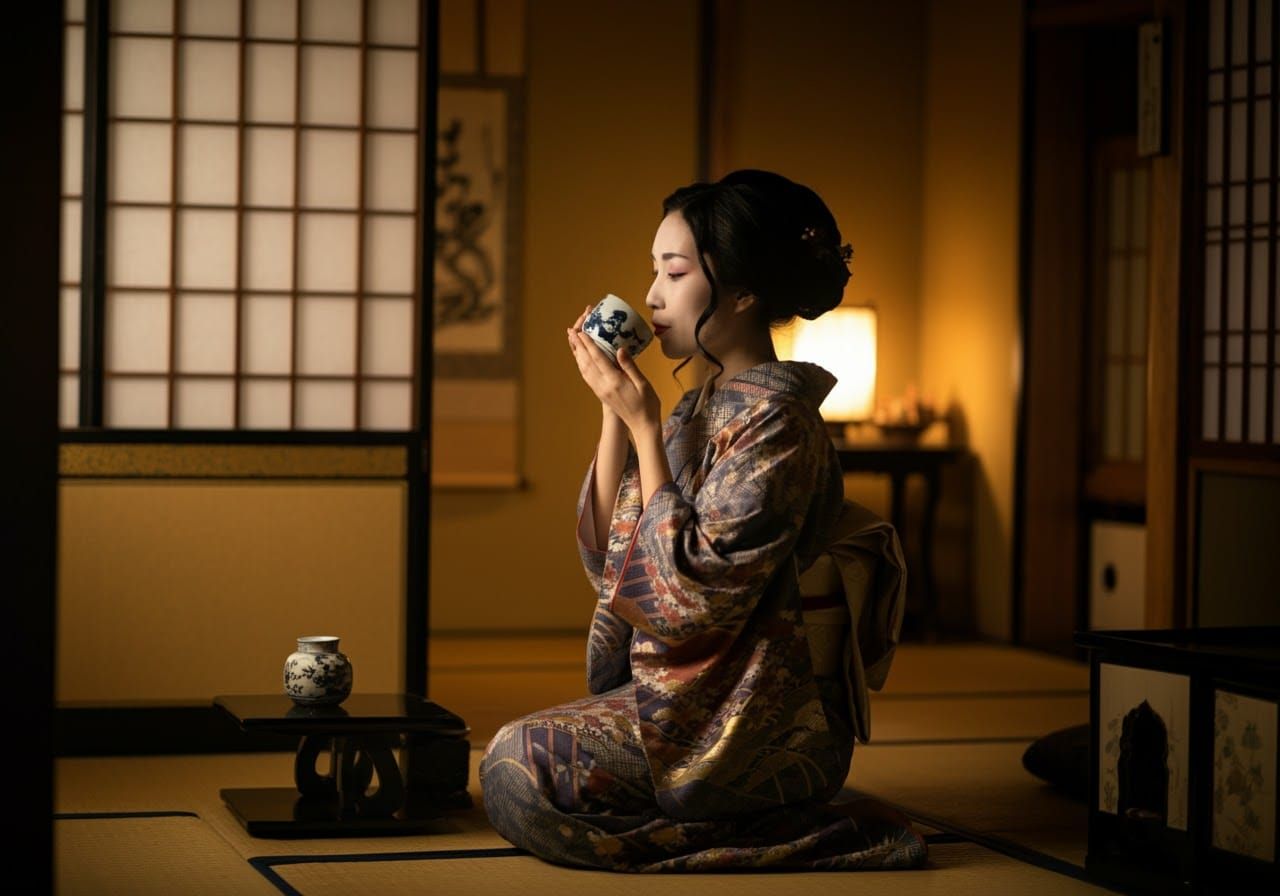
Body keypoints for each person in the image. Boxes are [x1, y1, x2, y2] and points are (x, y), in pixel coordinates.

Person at [479, 169, 926, 872]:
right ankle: (742, 821)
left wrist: (644, 426)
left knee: (519, 767)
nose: (653, 295)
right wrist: (615, 414)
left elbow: (688, 597)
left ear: (743, 292)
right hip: (689, 699)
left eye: (676, 271)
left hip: (752, 716)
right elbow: (612, 559)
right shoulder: (698, 408)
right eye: (654, 270)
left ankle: (787, 819)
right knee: (510, 768)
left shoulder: (780, 423)